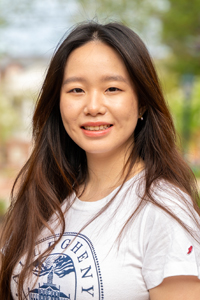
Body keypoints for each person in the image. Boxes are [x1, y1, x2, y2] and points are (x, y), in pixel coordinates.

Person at [0, 21, 200, 300]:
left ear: (142, 102)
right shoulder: (45, 196)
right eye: (76, 90)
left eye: (112, 89)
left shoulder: (163, 208)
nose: (93, 107)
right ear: (57, 103)